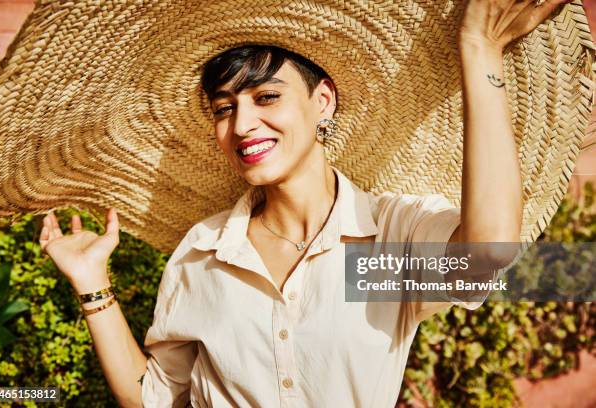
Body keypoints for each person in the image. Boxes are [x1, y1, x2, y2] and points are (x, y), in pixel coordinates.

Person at [35, 0, 573, 406]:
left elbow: (487, 253)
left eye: (266, 97)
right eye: (224, 109)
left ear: (322, 101)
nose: (242, 125)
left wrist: (479, 49)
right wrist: (90, 281)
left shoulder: (385, 238)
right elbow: (155, 397)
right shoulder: (202, 251)